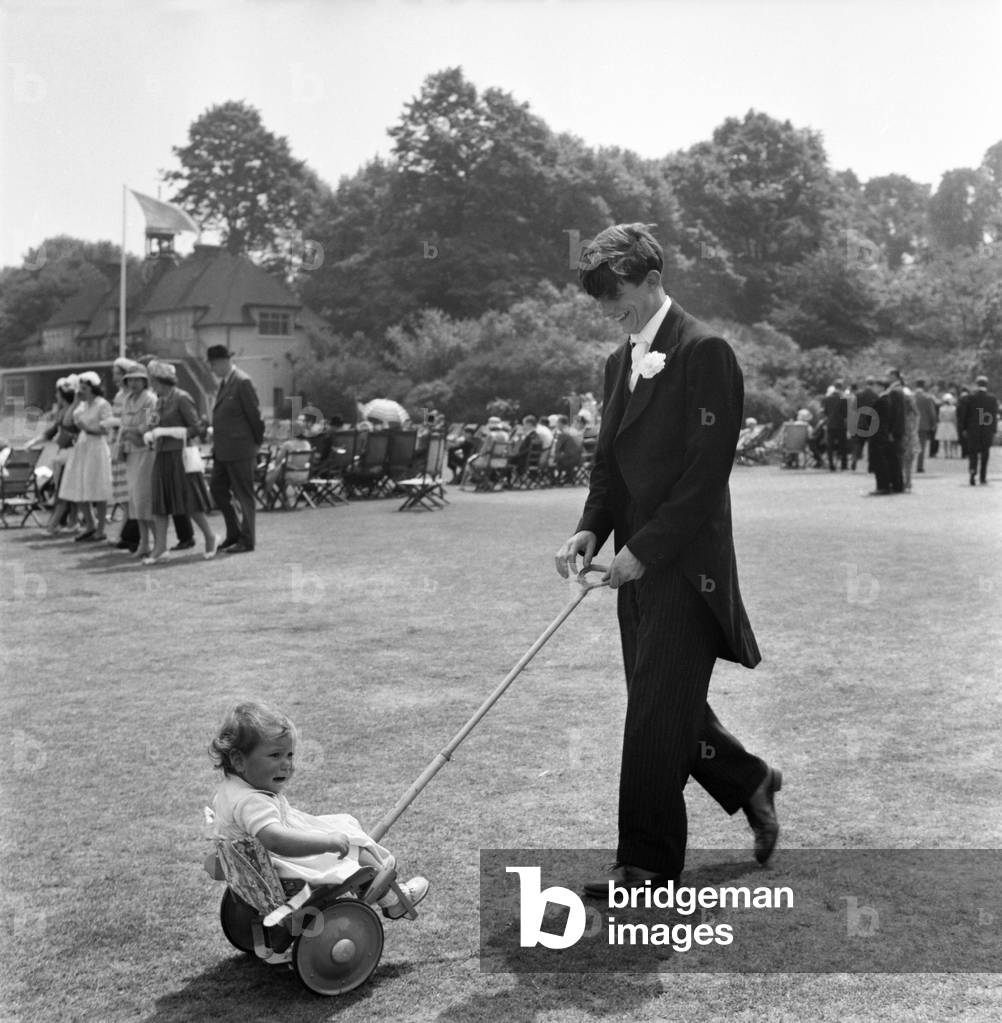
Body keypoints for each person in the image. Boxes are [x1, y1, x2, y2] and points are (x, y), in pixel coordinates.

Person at [554, 223, 778, 895]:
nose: (606, 307)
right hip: (636, 569)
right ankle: (748, 777)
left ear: (652, 279)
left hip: (688, 568)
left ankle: (646, 863)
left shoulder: (707, 351)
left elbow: (704, 477)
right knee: (667, 705)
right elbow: (607, 464)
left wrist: (646, 550)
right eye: (597, 296)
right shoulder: (618, 359)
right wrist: (592, 530)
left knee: (654, 712)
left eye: (613, 291)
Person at [208, 701, 429, 920]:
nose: (287, 764)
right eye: (275, 755)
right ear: (238, 760)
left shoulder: (230, 791)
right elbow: (275, 840)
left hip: (262, 871)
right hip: (285, 870)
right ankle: (393, 900)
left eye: (290, 755)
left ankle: (382, 889)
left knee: (344, 827)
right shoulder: (251, 802)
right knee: (354, 848)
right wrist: (327, 842)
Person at [143, 360, 218, 564]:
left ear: (163, 380)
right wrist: (149, 434)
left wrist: (169, 432)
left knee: (189, 500)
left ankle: (210, 537)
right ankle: (159, 548)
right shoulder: (157, 402)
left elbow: (197, 428)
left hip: (181, 456)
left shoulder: (182, 398)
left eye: (153, 381)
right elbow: (150, 425)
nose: (151, 385)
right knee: (160, 502)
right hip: (162, 455)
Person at [207, 345, 265, 554]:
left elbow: (255, 417)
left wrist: (255, 444)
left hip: (240, 449)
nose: (212, 369)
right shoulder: (225, 383)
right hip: (224, 450)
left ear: (223, 361)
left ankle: (247, 539)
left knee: (244, 494)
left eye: (213, 364)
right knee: (217, 488)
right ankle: (234, 531)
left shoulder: (242, 382)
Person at [57, 370, 113, 540]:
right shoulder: (81, 406)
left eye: (84, 388)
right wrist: (75, 402)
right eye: (79, 388)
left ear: (93, 388)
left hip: (96, 448)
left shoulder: (102, 405)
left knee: (97, 488)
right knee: (79, 487)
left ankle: (101, 528)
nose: (81, 391)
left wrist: (87, 428)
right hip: (82, 448)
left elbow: (106, 429)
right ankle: (90, 524)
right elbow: (66, 422)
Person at [117, 363, 158, 557]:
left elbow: (150, 425)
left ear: (144, 380)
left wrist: (132, 432)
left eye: (136, 379)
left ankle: (159, 542)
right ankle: (144, 543)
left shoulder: (151, 400)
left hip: (146, 452)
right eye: (129, 379)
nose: (133, 383)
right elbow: (123, 426)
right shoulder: (127, 400)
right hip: (131, 453)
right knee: (134, 501)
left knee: (144, 499)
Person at [960, 375, 999, 485]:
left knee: (973, 453)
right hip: (986, 428)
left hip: (973, 429)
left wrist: (964, 428)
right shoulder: (992, 399)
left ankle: (972, 473)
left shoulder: (970, 398)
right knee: (985, 453)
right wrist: (994, 429)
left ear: (977, 385)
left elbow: (965, 415)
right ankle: (983, 476)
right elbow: (993, 415)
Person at [913, 380, 938, 473]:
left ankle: (907, 465)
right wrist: (933, 424)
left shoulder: (911, 397)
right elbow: (932, 413)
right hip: (924, 425)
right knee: (922, 447)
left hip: (911, 425)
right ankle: (919, 466)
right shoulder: (927, 398)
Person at [822, 382, 848, 471]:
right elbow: (845, 414)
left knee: (830, 445)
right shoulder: (843, 399)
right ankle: (844, 465)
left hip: (830, 424)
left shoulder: (827, 399)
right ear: (841, 388)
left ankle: (831, 464)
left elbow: (825, 412)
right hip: (840, 425)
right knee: (842, 445)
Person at [935, 394, 959, 459]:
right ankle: (951, 453)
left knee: (945, 440)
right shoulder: (953, 408)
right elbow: (955, 418)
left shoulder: (941, 408)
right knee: (951, 440)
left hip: (943, 424)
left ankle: (946, 454)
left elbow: (940, 417)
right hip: (951, 424)